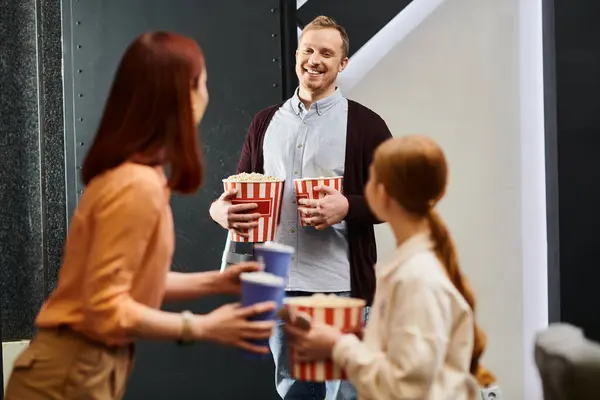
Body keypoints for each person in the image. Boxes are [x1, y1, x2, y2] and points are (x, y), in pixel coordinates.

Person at [4, 31, 276, 400]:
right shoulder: (135, 185)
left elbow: (132, 283)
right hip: (68, 376)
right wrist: (203, 327)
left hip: (83, 369)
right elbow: (107, 306)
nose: (207, 96)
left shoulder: (136, 177)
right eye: (204, 83)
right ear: (184, 95)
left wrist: (220, 282)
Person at [210, 15, 392, 400]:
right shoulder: (265, 123)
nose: (315, 59)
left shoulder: (367, 125)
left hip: (341, 285)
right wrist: (220, 211)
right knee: (292, 391)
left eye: (327, 53)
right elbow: (240, 190)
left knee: (345, 393)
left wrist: (347, 206)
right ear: (297, 55)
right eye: (308, 50)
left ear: (342, 63)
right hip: (279, 282)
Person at [283, 135, 497, 399]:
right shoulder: (413, 267)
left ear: (382, 193)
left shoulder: (415, 278)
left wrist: (338, 345)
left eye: (370, 178)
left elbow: (406, 386)